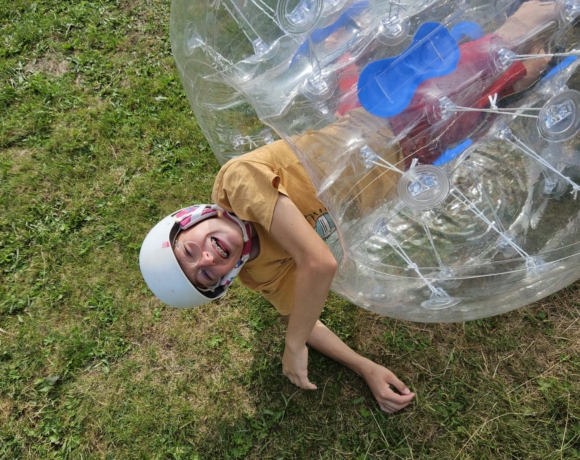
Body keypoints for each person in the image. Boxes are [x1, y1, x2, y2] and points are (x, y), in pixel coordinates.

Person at [140, 0, 559, 414]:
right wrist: (365, 367)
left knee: (509, 49)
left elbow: (318, 265)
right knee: (510, 85)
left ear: (190, 221)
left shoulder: (239, 184)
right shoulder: (259, 270)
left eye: (191, 250)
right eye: (205, 274)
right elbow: (305, 317)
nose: (208, 257)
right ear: (222, 283)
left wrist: (293, 346)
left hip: (396, 112)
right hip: (413, 164)